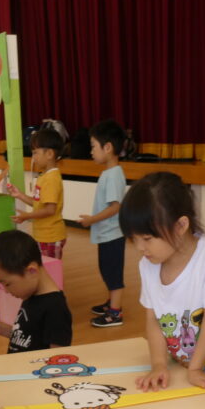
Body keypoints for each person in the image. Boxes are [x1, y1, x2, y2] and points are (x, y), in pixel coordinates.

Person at [120, 171, 205, 393]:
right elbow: (153, 319)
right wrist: (159, 364)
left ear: (180, 226)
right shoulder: (148, 265)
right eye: (133, 239)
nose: (140, 247)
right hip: (184, 372)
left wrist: (195, 368)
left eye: (147, 238)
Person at [0, 229, 72, 353]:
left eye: (7, 284)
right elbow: (29, 338)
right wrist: (2, 329)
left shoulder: (55, 308)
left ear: (31, 271)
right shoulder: (30, 294)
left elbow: (58, 356)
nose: (6, 291)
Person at [80, 119, 127, 327]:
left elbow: (115, 207)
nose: (91, 151)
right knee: (107, 270)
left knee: (113, 273)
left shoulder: (114, 175)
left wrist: (92, 220)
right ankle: (111, 303)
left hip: (113, 234)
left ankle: (115, 313)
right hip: (107, 234)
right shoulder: (109, 173)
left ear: (107, 147)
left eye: (93, 146)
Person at [7, 129, 66, 259]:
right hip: (43, 235)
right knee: (43, 267)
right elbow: (38, 203)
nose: (33, 158)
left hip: (51, 236)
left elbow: (50, 210)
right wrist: (20, 195)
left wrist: (27, 215)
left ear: (49, 153)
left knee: (50, 269)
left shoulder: (51, 179)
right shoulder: (44, 176)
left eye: (35, 153)